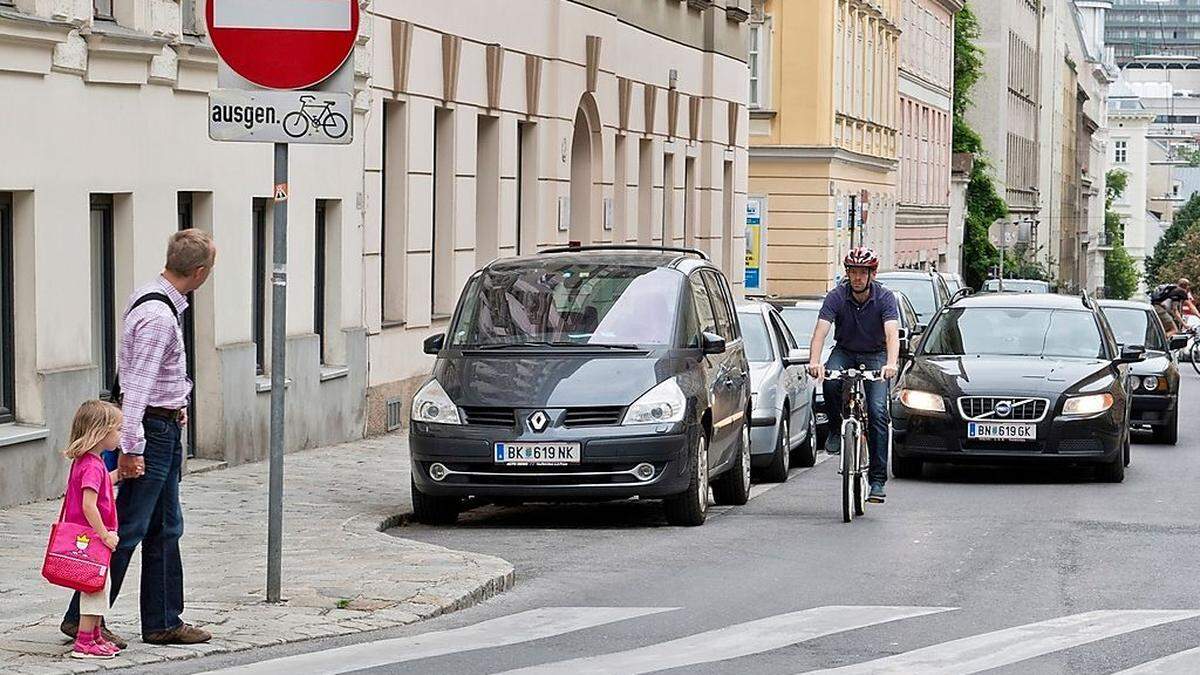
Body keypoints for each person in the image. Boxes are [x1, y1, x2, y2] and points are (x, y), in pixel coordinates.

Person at [61, 229, 216, 648]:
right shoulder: (158, 317)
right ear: (199, 272)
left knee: (166, 527)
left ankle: (164, 620)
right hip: (150, 431)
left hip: (162, 427)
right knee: (124, 528)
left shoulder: (153, 296)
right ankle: (83, 619)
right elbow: (138, 386)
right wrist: (131, 448)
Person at [806, 248, 901, 504]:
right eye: (853, 272)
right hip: (845, 351)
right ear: (847, 274)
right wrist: (814, 362)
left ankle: (878, 481)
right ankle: (837, 429)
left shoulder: (885, 298)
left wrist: (891, 363)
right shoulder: (837, 296)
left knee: (879, 411)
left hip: (876, 355)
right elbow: (820, 332)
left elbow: (892, 334)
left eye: (862, 272)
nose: (857, 277)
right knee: (831, 380)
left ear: (872, 274)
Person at [59, 400, 124, 659]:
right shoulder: (92, 464)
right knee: (94, 588)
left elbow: (100, 486)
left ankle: (95, 635)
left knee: (99, 585)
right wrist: (105, 534)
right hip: (91, 536)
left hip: (90, 535)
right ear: (101, 432)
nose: (120, 435)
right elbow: (89, 504)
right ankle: (85, 641)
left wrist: (119, 474)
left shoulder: (88, 462)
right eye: (117, 430)